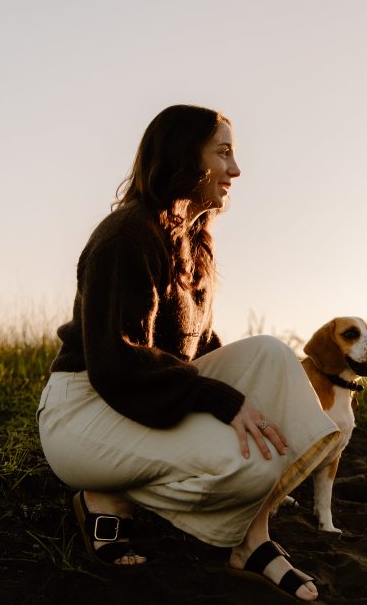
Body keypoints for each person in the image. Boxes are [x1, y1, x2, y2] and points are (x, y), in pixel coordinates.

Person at [36, 104, 339, 601]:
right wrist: (221, 400)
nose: (236, 171)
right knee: (254, 467)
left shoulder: (194, 241)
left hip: (145, 393)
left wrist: (240, 389)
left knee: (270, 354)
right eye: (223, 153)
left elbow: (199, 346)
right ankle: (104, 491)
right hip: (86, 409)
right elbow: (115, 362)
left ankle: (253, 539)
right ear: (183, 156)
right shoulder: (126, 237)